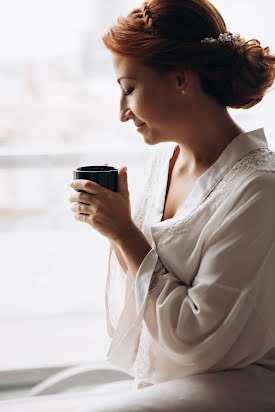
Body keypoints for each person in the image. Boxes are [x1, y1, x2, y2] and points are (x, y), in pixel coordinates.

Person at [75, 1, 275, 410]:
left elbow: (200, 339)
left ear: (182, 78)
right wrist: (112, 227)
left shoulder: (259, 190)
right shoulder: (160, 166)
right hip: (174, 381)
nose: (121, 112)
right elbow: (138, 312)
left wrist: (124, 233)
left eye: (129, 89)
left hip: (243, 383)